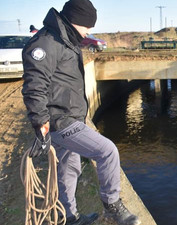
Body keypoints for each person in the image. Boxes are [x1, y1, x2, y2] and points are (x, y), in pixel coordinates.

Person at [21, 0, 141, 225]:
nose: (90, 31)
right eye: (88, 26)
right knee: (107, 151)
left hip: (70, 116)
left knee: (69, 169)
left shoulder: (64, 39)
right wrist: (41, 124)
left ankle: (70, 218)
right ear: (77, 21)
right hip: (60, 120)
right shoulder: (46, 43)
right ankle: (112, 204)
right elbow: (34, 86)